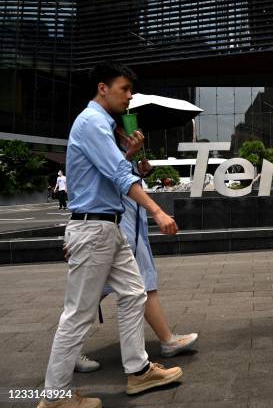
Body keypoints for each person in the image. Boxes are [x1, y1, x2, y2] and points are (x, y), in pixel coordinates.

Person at [39, 62, 182, 408]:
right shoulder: (91, 122)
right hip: (93, 228)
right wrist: (158, 210)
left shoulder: (100, 124)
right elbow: (118, 175)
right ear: (103, 88)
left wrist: (128, 154)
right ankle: (55, 397)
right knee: (78, 314)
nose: (129, 97)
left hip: (105, 226)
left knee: (134, 293)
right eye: (124, 89)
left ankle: (139, 370)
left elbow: (106, 171)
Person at [74, 126, 198, 374]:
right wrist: (157, 210)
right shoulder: (101, 138)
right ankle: (73, 354)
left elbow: (126, 179)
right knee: (95, 291)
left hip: (129, 226)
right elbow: (110, 179)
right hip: (116, 225)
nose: (133, 130)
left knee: (140, 284)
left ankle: (157, 349)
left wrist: (140, 169)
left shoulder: (120, 147)